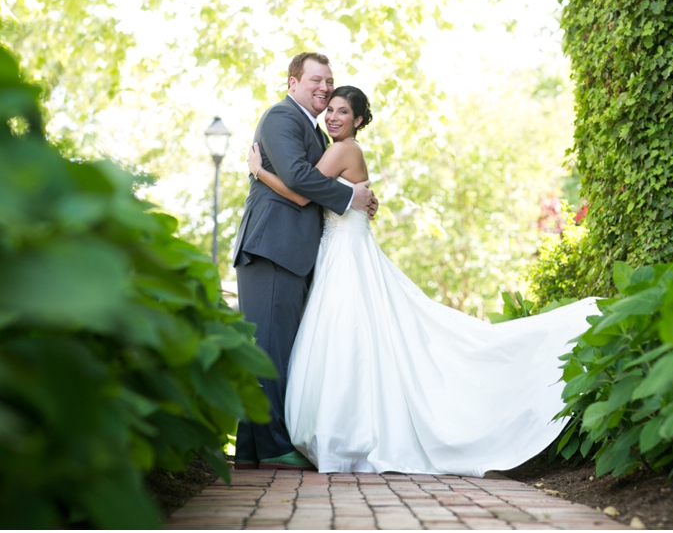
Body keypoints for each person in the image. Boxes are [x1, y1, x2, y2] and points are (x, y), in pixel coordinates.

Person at [246, 85, 602, 476]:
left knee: (350, 334)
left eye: (342, 112)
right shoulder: (339, 149)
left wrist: (260, 171)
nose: (332, 117)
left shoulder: (342, 149)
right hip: (340, 249)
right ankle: (342, 433)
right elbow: (328, 195)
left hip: (346, 253)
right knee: (362, 337)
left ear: (359, 121)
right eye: (329, 109)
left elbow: (301, 194)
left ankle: (343, 435)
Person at [231, 53, 378, 470]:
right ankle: (275, 445)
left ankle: (251, 448)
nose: (324, 87)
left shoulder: (315, 132)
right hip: (273, 246)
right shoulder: (282, 117)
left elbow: (310, 184)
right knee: (270, 349)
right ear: (292, 82)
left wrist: (355, 194)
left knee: (270, 347)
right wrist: (352, 197)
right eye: (316, 80)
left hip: (290, 252)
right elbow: (298, 180)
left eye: (329, 81)